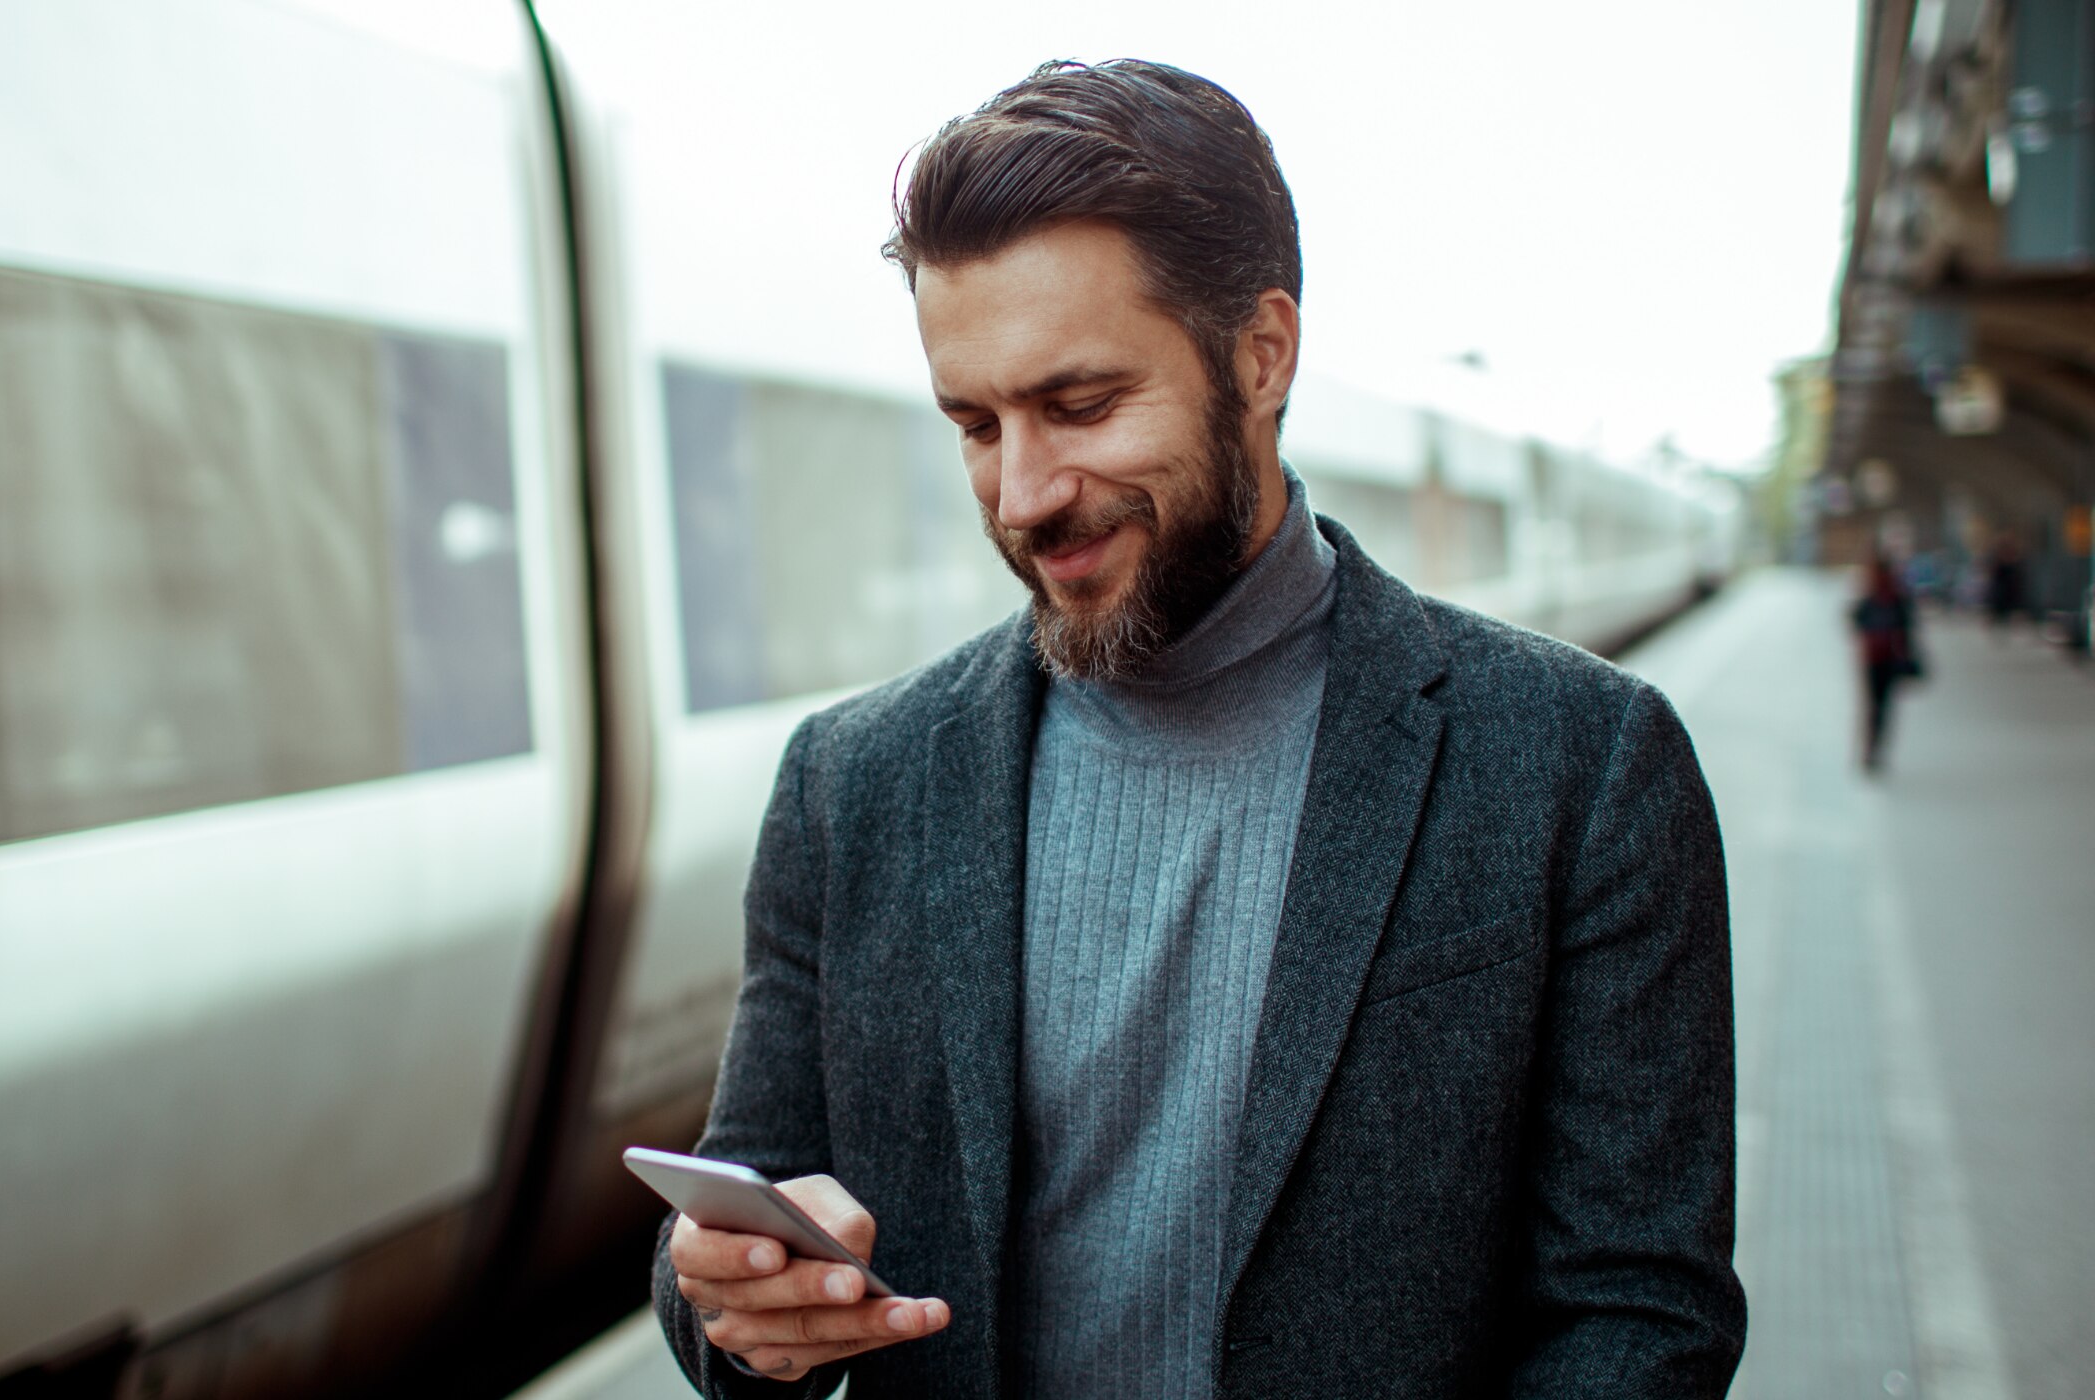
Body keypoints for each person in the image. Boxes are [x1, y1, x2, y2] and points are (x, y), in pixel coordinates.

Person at [652, 60, 1743, 1398]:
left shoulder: (1583, 765)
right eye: (975, 424)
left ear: (1261, 354)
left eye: (1081, 405)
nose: (1024, 494)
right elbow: (738, 1219)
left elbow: (1639, 1312)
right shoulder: (851, 782)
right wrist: (737, 1307)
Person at [1852, 558, 1920, 772]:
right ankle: (1875, 747)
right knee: (1883, 707)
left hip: (1874, 658)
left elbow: (1856, 619)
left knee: (1874, 706)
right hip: (1889, 658)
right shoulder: (1895, 596)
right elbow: (1908, 627)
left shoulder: (1871, 594)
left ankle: (1871, 748)